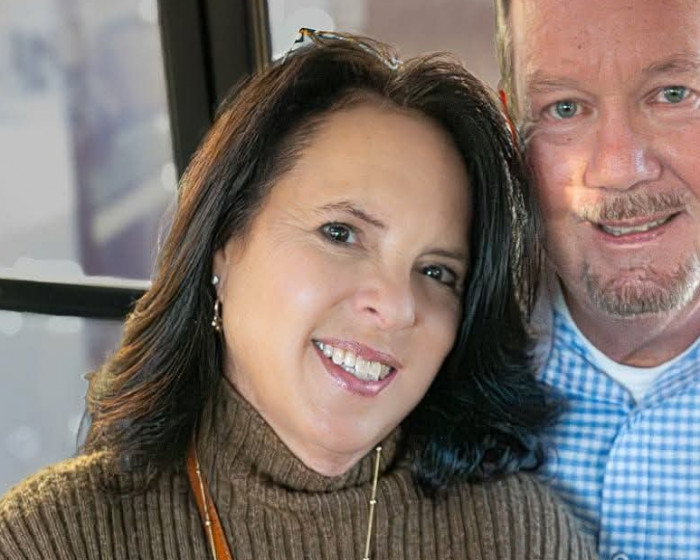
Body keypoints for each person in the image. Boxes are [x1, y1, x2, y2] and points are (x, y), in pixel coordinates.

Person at [0, 30, 593, 559]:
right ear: (225, 240)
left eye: (436, 272)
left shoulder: (523, 535)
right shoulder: (49, 539)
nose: (397, 306)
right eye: (341, 234)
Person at [494, 1, 700, 558]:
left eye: (673, 95)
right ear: (511, 133)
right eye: (564, 108)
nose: (619, 168)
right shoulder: (427, 375)